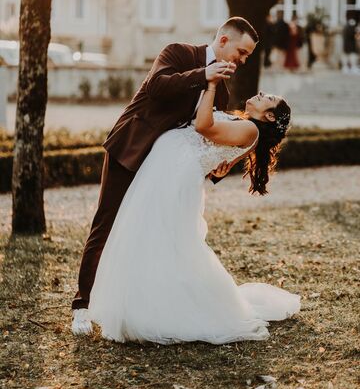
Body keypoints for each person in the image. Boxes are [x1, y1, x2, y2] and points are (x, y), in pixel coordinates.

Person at [72, 17, 258, 335]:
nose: (241, 62)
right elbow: (157, 87)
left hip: (161, 171)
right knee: (106, 225)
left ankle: (133, 305)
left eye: (246, 58)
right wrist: (204, 74)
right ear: (223, 41)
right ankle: (81, 308)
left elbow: (204, 140)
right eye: (241, 52)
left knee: (146, 234)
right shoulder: (178, 52)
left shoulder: (222, 94)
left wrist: (219, 169)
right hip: (129, 150)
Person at [88, 86, 300, 344]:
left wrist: (209, 84)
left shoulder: (251, 130)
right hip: (172, 167)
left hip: (176, 173)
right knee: (158, 240)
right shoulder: (245, 125)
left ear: (269, 116)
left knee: (162, 240)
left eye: (269, 98)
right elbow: (216, 159)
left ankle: (158, 311)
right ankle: (149, 303)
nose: (262, 93)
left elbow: (203, 126)